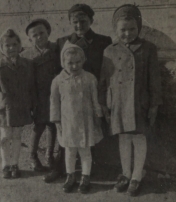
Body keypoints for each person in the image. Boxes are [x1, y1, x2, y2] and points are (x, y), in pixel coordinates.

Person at [43, 3, 112, 183]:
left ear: (91, 20)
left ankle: (88, 172)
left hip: (91, 94)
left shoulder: (103, 41)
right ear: (70, 22)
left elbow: (106, 71)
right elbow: (58, 72)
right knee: (67, 136)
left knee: (89, 136)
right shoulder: (62, 42)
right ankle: (62, 169)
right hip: (69, 98)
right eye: (75, 22)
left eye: (83, 21)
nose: (79, 25)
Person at [99, 4, 162, 196]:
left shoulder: (148, 49)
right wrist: (103, 103)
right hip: (117, 102)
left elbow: (155, 79)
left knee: (139, 137)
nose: (127, 34)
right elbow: (103, 79)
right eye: (122, 30)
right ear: (116, 30)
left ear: (139, 27)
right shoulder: (109, 50)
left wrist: (154, 105)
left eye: (132, 29)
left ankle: (136, 175)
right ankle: (125, 173)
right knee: (123, 137)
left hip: (139, 102)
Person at [50, 42, 103, 193]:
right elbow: (54, 102)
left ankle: (85, 178)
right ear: (63, 62)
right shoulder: (58, 81)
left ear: (83, 60)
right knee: (70, 150)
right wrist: (56, 121)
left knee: (85, 150)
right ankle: (70, 176)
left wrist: (98, 115)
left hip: (85, 121)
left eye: (78, 62)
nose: (74, 66)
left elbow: (95, 99)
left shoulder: (89, 78)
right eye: (70, 63)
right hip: (67, 122)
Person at [0, 29, 36, 178]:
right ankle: (5, 165)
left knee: (17, 137)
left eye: (15, 44)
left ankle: (15, 164)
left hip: (20, 107)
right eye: (7, 45)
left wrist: (32, 105)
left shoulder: (27, 64)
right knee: (5, 137)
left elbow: (31, 87)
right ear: (2, 48)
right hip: (4, 109)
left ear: (20, 46)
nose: (11, 48)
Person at [21, 19, 60, 171]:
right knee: (38, 127)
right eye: (34, 35)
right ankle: (32, 156)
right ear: (30, 39)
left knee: (53, 126)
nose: (39, 37)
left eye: (42, 33)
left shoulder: (56, 49)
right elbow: (26, 81)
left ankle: (49, 155)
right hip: (38, 97)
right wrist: (30, 101)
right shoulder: (27, 55)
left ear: (48, 32)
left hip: (54, 94)